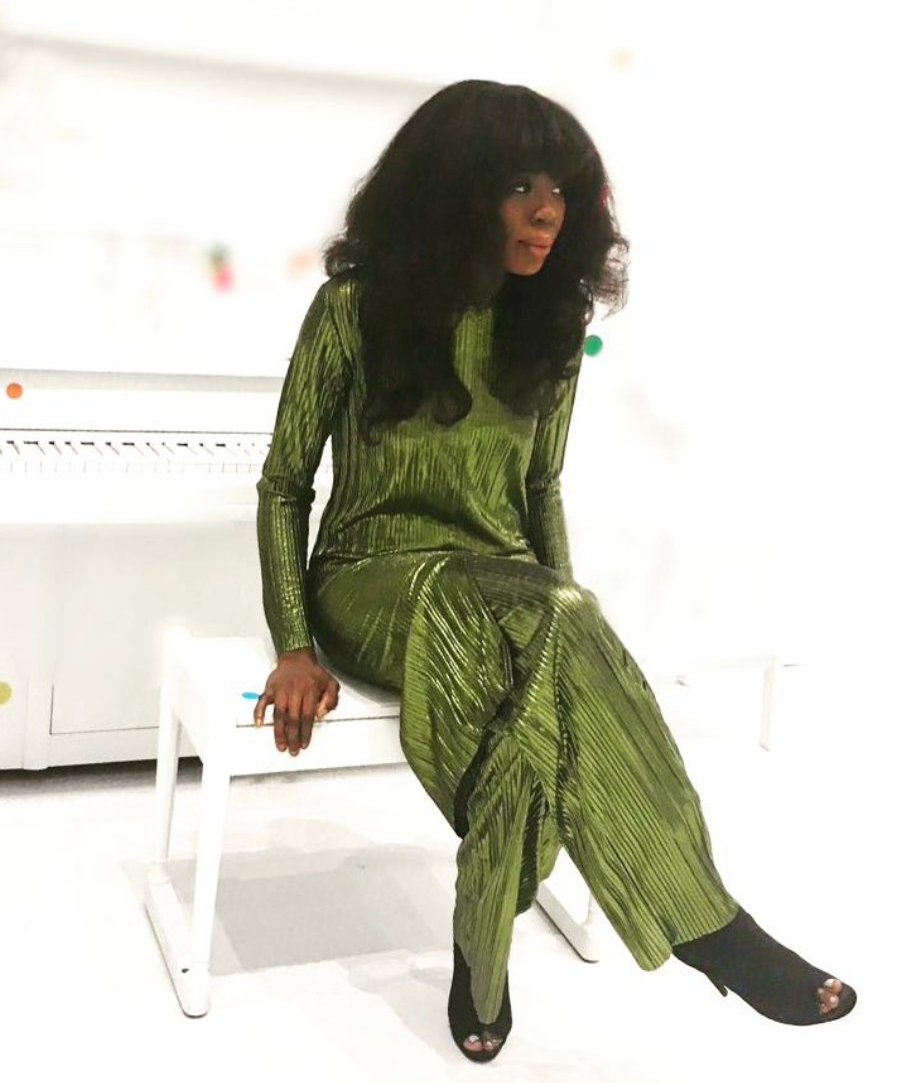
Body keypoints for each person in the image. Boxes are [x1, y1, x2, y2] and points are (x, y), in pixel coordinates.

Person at [253, 79, 856, 1062]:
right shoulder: (355, 309)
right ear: (456, 191)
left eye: (562, 192)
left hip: (505, 593)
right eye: (520, 187)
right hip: (375, 581)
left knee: (531, 710)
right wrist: (292, 642)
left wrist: (561, 621)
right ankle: (707, 926)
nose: (547, 213)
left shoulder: (549, 325)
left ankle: (479, 951)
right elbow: (285, 485)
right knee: (550, 640)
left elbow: (540, 492)